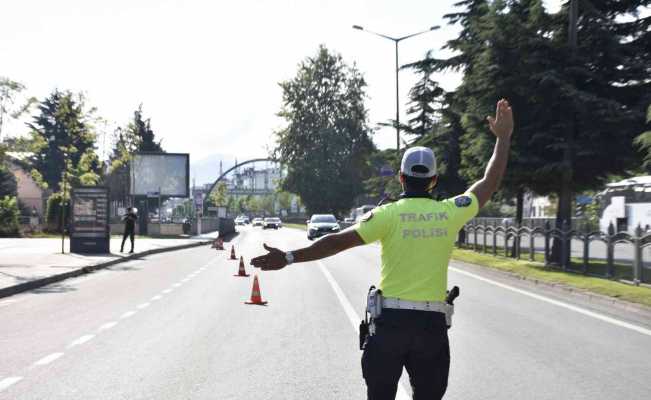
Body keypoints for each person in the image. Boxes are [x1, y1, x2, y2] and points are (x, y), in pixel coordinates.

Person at [251, 99, 514, 399]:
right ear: (434, 180)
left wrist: (288, 257)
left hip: (390, 326)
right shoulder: (451, 212)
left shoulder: (386, 215)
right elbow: (489, 182)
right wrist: (503, 139)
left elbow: (336, 241)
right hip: (431, 328)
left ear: (401, 178)